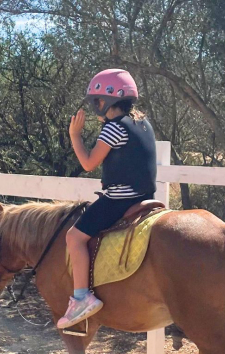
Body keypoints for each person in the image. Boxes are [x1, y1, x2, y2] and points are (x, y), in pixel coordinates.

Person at [57, 69, 158, 330]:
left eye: (97, 101)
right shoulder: (143, 123)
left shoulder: (113, 129)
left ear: (106, 101)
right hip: (145, 196)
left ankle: (82, 297)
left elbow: (89, 163)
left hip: (119, 199)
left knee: (74, 237)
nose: (95, 107)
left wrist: (74, 136)